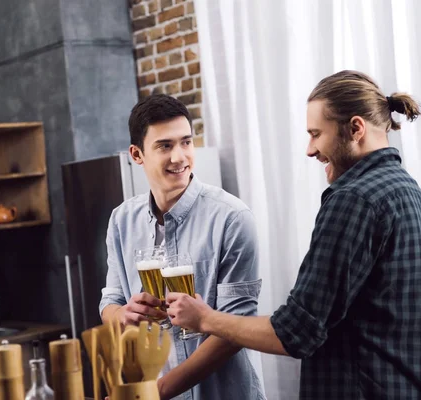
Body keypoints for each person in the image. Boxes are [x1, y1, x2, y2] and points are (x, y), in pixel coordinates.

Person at [166, 70, 421, 399]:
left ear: (356, 128)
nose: (310, 149)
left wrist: (205, 319)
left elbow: (296, 333)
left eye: (316, 134)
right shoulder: (405, 187)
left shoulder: (354, 199)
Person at [99, 94, 265, 399]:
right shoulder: (121, 221)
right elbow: (110, 300)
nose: (180, 156)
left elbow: (237, 329)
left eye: (186, 142)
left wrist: (158, 391)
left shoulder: (232, 218)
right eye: (165, 146)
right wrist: (121, 315)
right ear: (137, 154)